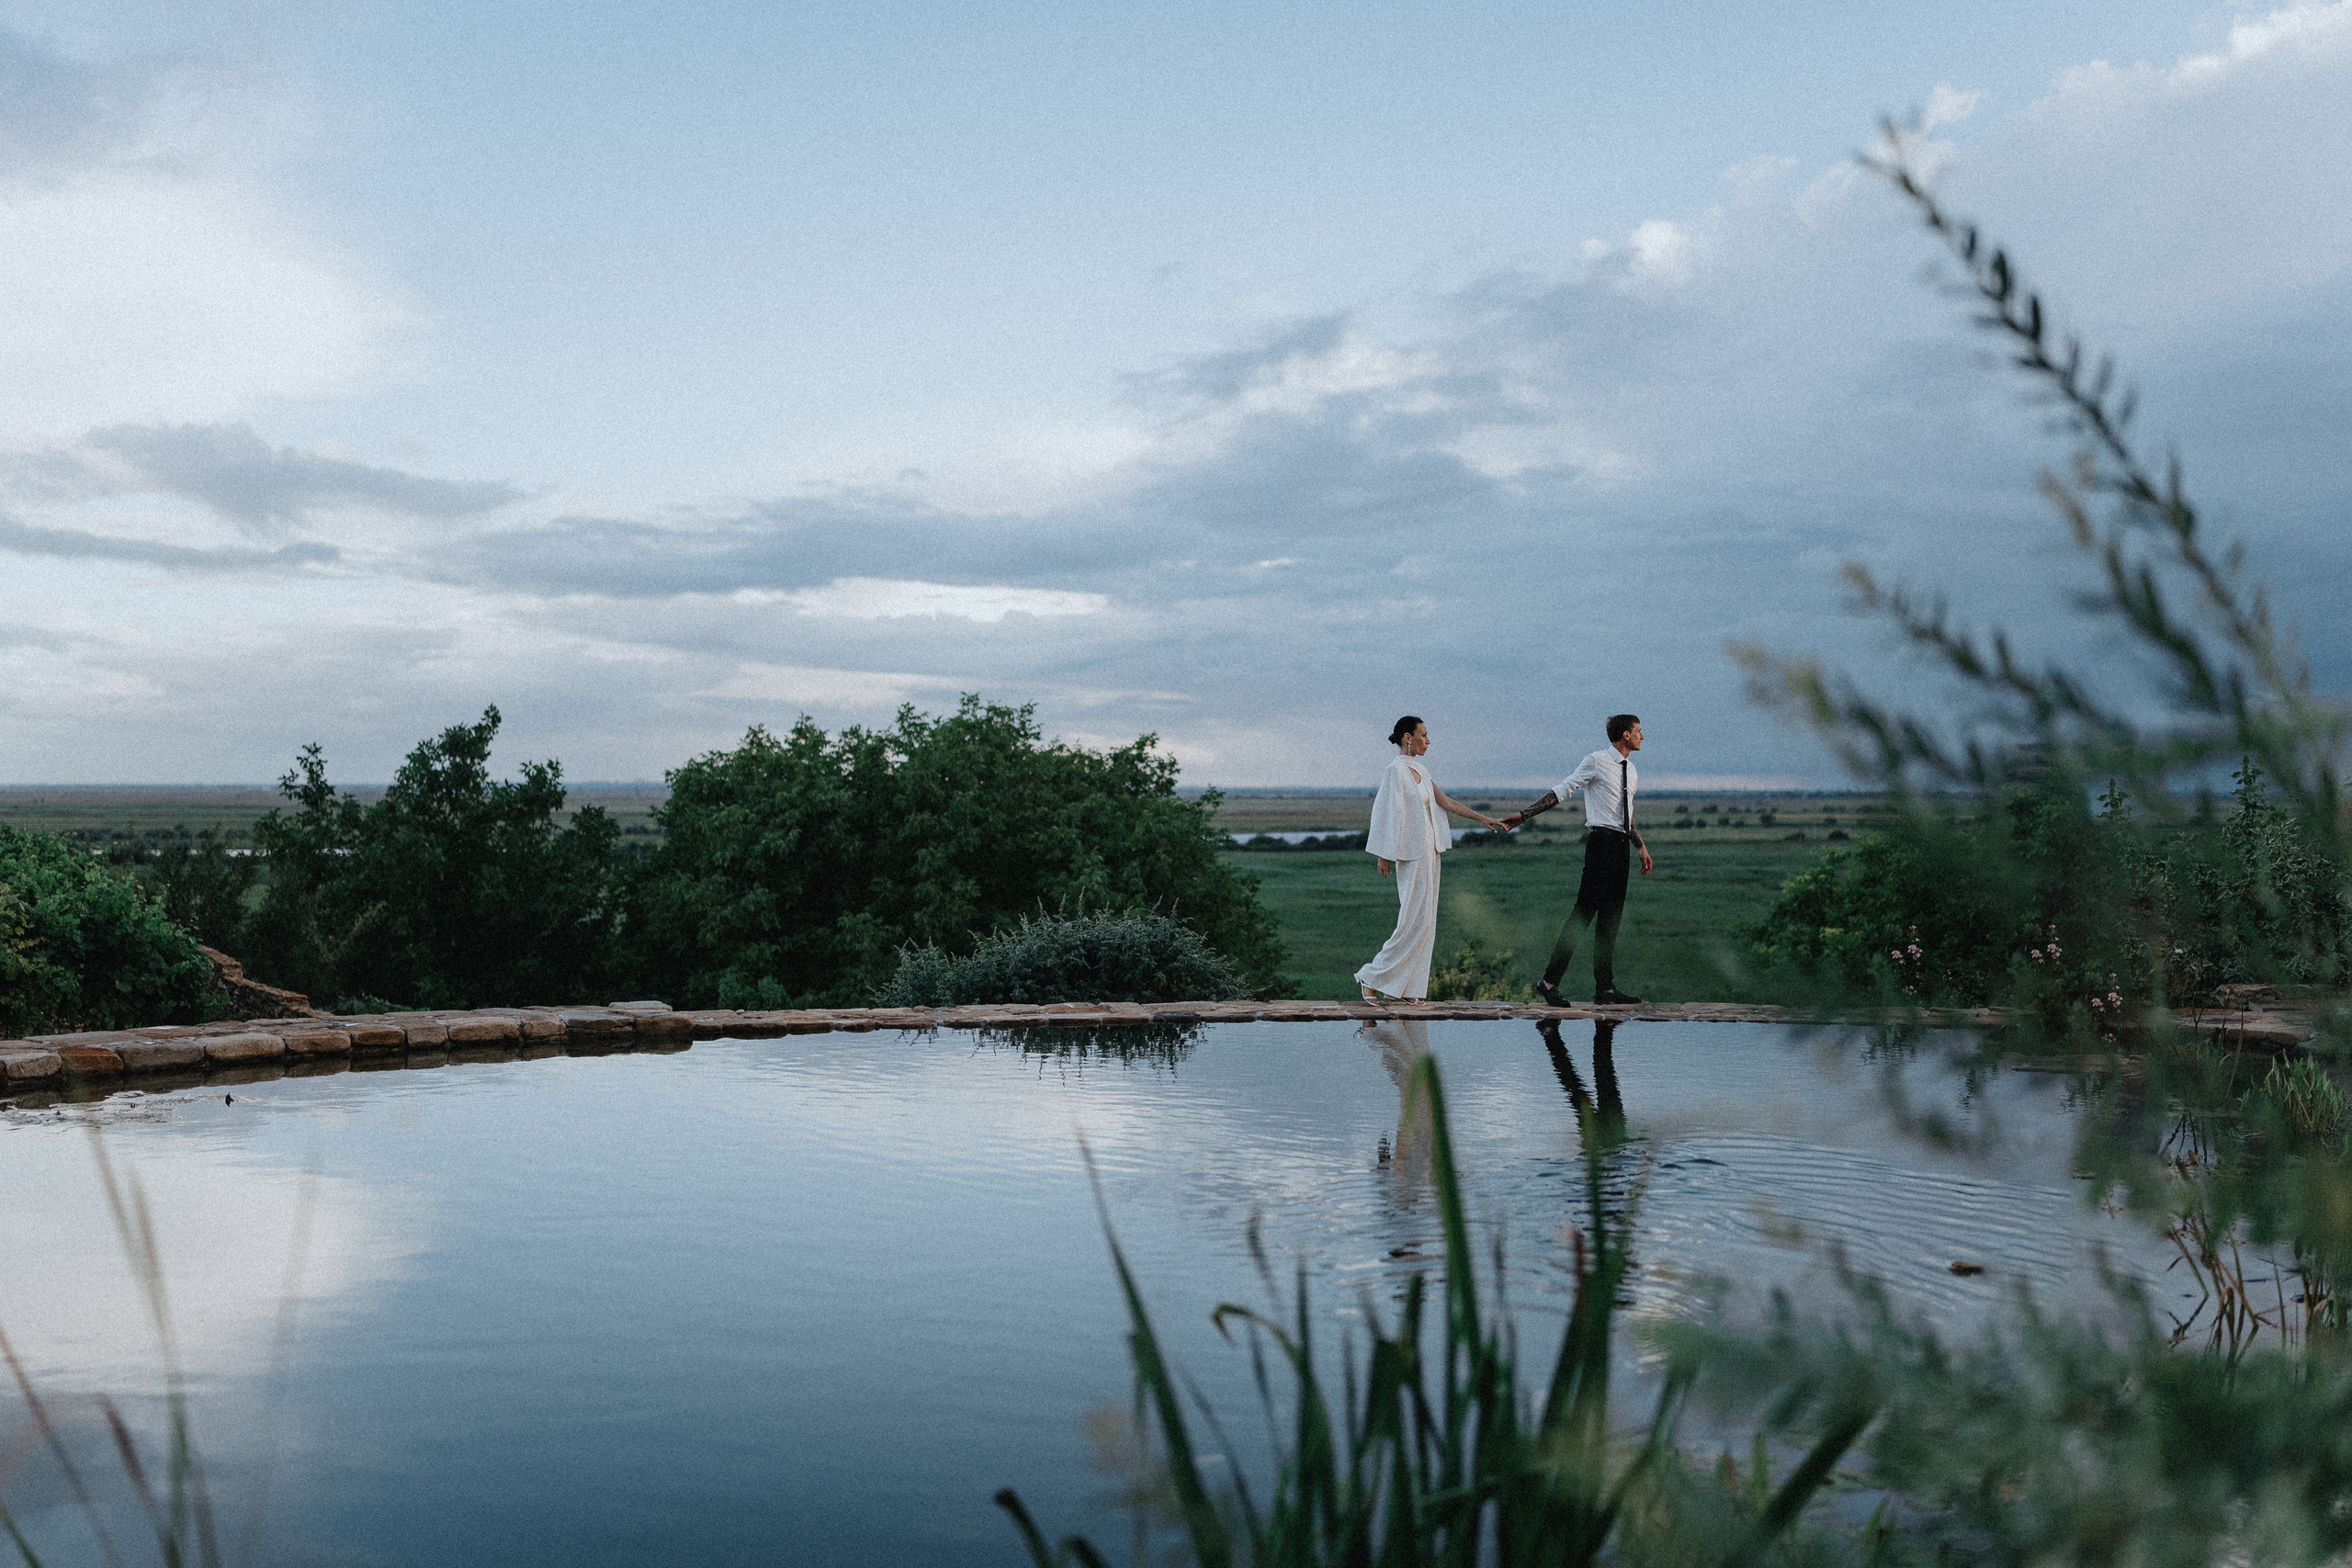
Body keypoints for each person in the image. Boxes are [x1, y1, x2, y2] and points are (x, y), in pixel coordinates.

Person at [1498, 714, 1650, 1007]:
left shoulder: (1632, 770)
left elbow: (1627, 816)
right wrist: (1525, 815)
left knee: (1611, 920)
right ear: (1625, 735)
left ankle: (1604, 989)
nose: (1643, 737)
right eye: (1639, 732)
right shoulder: (1595, 760)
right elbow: (1564, 790)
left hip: (1621, 848)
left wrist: (1640, 847)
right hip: (1601, 845)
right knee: (1583, 915)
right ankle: (1548, 982)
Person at [1355, 716, 1505, 1002]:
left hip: (1430, 851)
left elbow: (1445, 802)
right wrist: (1383, 855)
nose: (1428, 741)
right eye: (1423, 735)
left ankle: (1408, 988)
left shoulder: (1420, 769)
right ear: (1408, 737)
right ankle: (1370, 977)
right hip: (1409, 853)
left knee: (1426, 922)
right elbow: (1385, 812)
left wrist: (1483, 818)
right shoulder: (1395, 771)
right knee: (1410, 920)